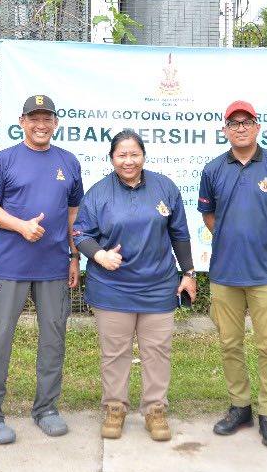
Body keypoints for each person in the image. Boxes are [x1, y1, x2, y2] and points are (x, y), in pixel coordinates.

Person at [73, 130, 197, 442]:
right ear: (111, 159)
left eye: (134, 154)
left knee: (157, 351)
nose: (128, 161)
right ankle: (114, 408)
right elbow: (80, 234)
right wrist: (99, 255)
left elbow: (179, 233)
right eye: (121, 155)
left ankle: (155, 410)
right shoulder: (99, 193)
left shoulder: (165, 187)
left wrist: (188, 273)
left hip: (158, 285)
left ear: (143, 156)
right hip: (112, 288)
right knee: (115, 353)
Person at [0, 94, 83, 444]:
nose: (41, 125)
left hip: (54, 266)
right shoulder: (5, 160)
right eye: (33, 118)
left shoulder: (68, 161)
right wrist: (21, 226)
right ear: (22, 122)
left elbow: (73, 213)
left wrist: (74, 255)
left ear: (55, 123)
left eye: (47, 118)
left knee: (53, 339)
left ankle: (46, 409)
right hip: (10, 267)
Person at [198, 100, 267, 447]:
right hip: (225, 272)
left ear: (257, 127)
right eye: (233, 123)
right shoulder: (213, 170)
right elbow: (209, 215)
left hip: (266, 274)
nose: (240, 128)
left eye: (246, 122)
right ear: (225, 130)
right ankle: (240, 407)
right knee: (229, 344)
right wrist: (229, 236)